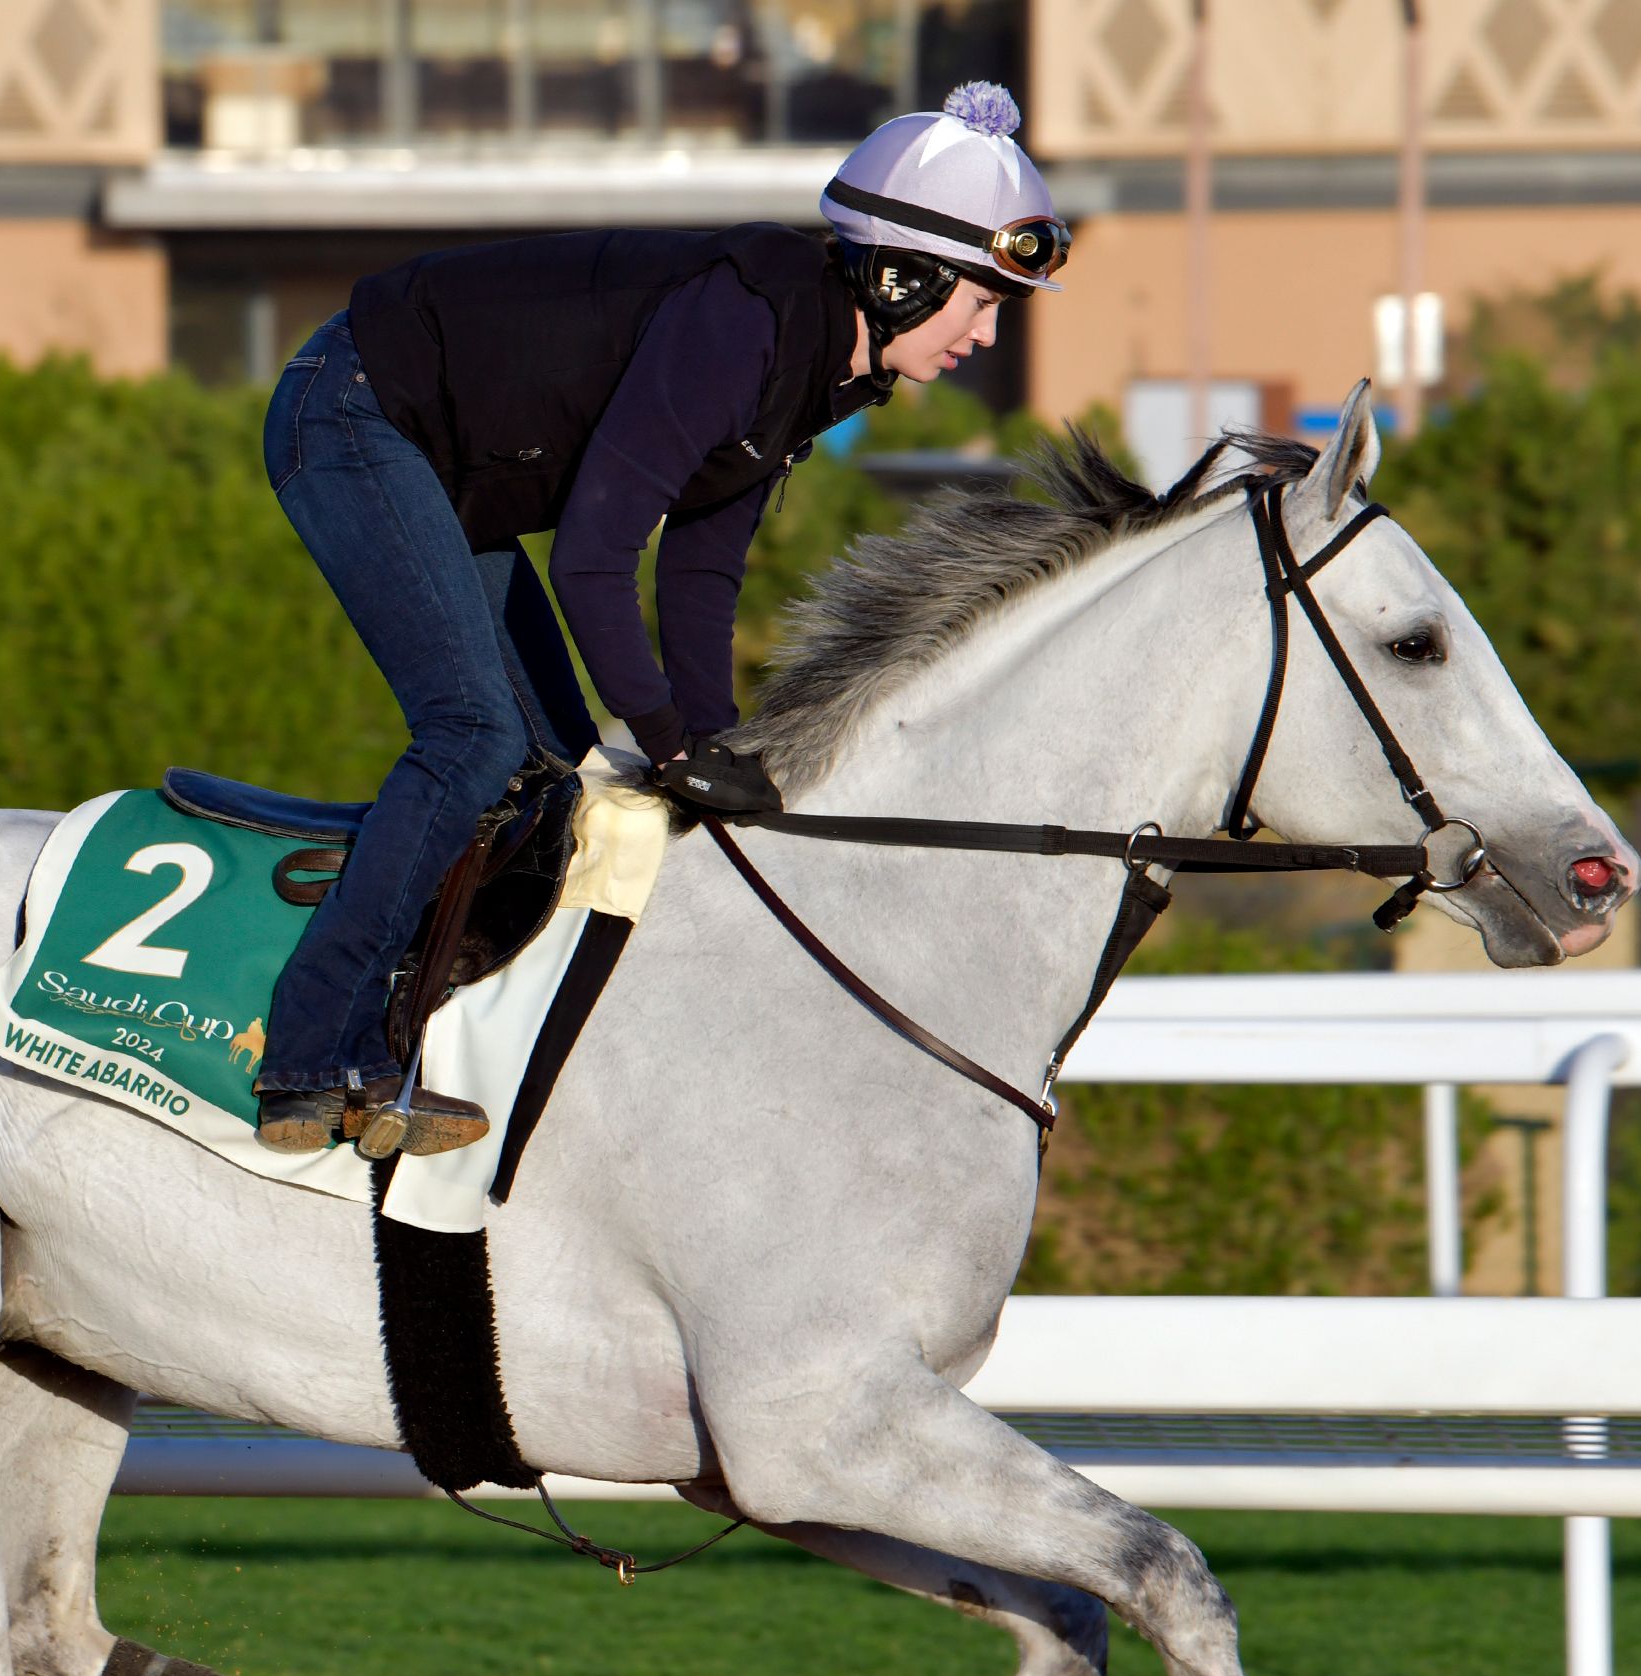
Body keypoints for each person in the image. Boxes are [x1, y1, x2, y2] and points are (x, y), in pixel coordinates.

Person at [251, 81, 1071, 1158]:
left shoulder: (819, 367)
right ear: (902, 278)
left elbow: (701, 566)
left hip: (440, 458)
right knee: (474, 739)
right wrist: (675, 746)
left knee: (553, 766)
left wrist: (713, 737)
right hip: (353, 411)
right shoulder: (741, 327)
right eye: (982, 300)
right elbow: (594, 559)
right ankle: (312, 1057)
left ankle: (413, 1037)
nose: (988, 333)